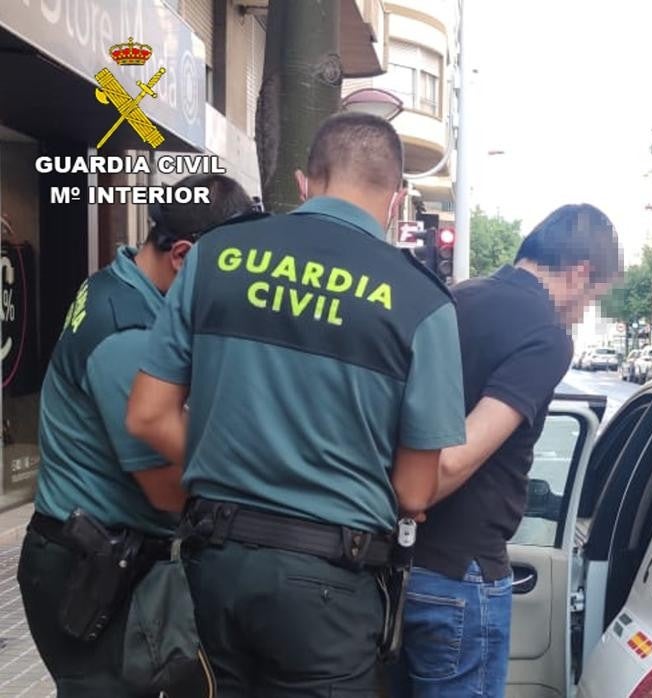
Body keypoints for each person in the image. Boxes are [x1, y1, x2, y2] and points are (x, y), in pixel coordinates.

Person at [126, 112, 466, 696]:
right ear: (396, 198)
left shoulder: (216, 256)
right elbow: (413, 492)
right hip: (330, 588)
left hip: (216, 566)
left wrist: (236, 470)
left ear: (306, 182)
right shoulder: (423, 302)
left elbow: (147, 414)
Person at [17, 174, 255, 697]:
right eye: (228, 269)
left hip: (97, 552)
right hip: (89, 569)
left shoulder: (118, 283)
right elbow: (169, 491)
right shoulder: (127, 337)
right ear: (184, 256)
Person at [392, 203, 620, 696]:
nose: (585, 311)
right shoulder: (546, 335)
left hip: (398, 568)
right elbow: (458, 454)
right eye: (595, 296)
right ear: (581, 273)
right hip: (461, 573)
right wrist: (413, 497)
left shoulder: (456, 299)